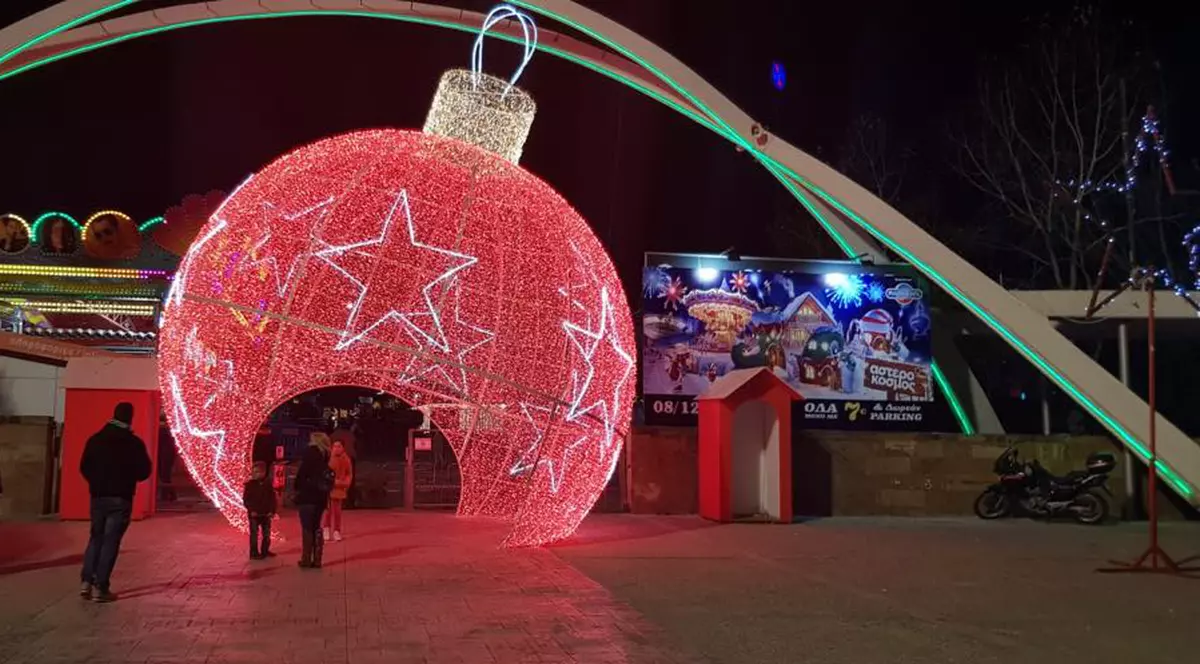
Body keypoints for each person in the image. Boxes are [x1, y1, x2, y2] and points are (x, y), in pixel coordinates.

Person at [79, 402, 152, 603]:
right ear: (130, 418)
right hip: (121, 497)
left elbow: (84, 466)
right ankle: (100, 586)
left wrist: (96, 482)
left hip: (98, 496)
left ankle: (86, 581)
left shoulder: (96, 440)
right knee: (111, 541)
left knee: (96, 537)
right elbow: (144, 471)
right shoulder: (134, 444)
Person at [293, 432, 332, 569]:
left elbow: (302, 474)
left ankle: (306, 559)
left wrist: (296, 487)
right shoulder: (326, 455)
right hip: (321, 497)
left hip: (307, 495)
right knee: (316, 526)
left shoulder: (310, 453)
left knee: (307, 527)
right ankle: (317, 559)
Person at [242, 461, 276, 560]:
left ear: (264, 473)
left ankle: (265, 550)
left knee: (266, 534)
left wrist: (272, 511)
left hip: (265, 513)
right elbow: (246, 500)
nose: (257, 474)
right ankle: (254, 553)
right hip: (254, 514)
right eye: (255, 472)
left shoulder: (267, 485)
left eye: (259, 472)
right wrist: (251, 510)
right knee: (254, 534)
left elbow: (272, 499)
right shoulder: (249, 485)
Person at [323, 441, 353, 542]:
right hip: (329, 487)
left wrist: (345, 483)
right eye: (335, 446)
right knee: (328, 510)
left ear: (343, 448)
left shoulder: (346, 459)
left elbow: (349, 473)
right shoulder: (328, 458)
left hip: (340, 488)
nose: (337, 448)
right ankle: (326, 528)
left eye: (339, 446)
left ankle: (337, 530)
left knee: (337, 511)